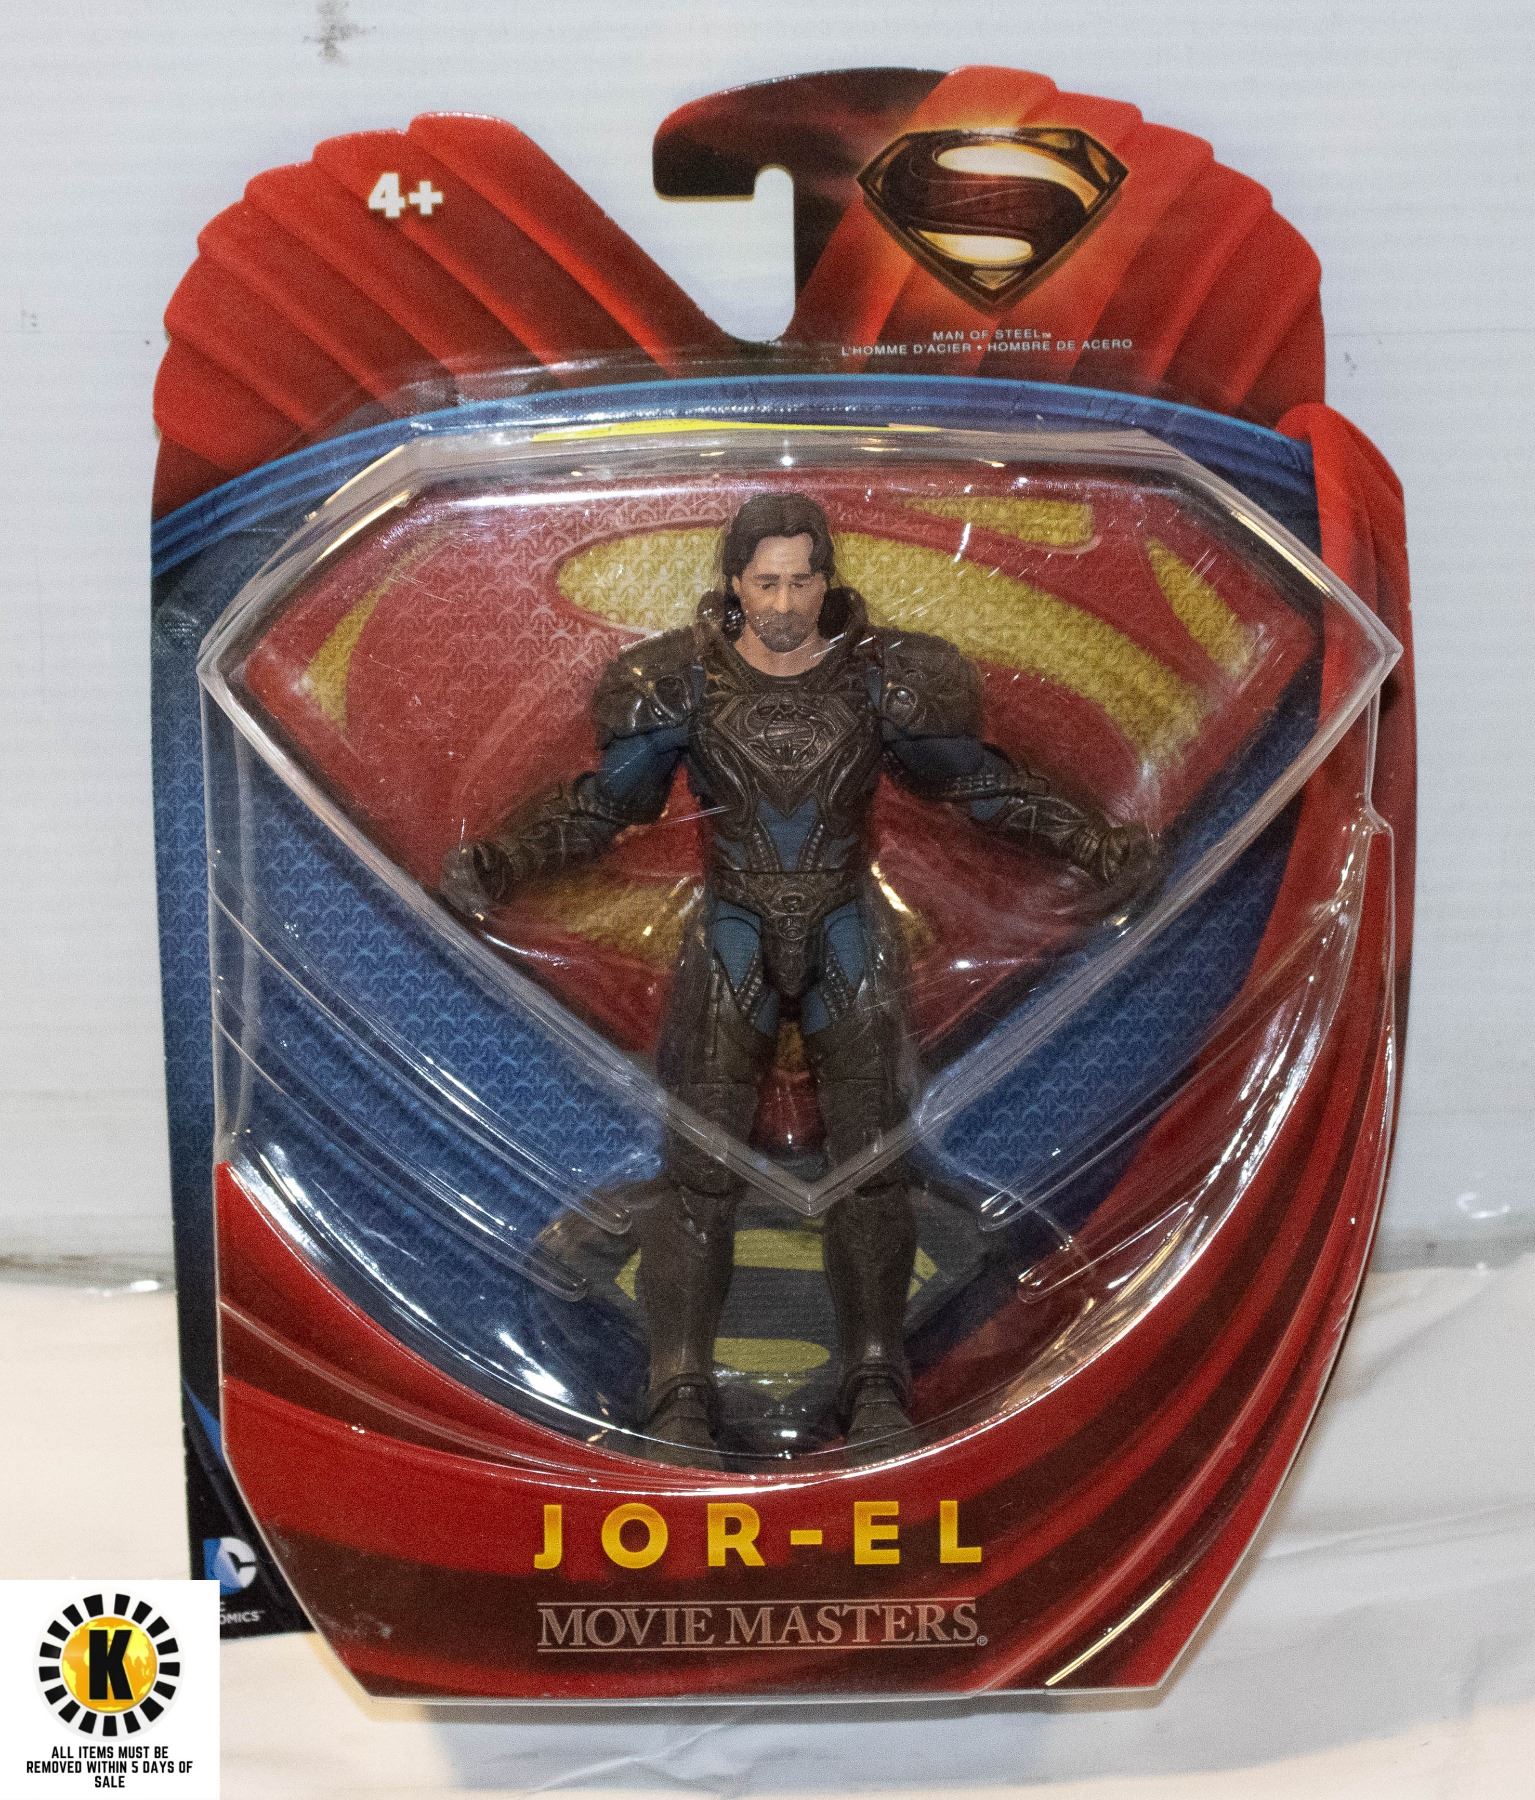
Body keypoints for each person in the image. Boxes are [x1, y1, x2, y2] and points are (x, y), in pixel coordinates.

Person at [442, 492, 1157, 1466]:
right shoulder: (680, 684)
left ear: (826, 581)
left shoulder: (880, 682)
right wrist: (503, 862)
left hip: (844, 931)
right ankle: (677, 1390)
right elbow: (605, 806)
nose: (783, 603)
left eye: (799, 581)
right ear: (735, 584)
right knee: (698, 1173)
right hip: (732, 933)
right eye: (766, 582)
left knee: (872, 1166)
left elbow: (977, 783)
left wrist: (1091, 842)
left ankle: (876, 1380)